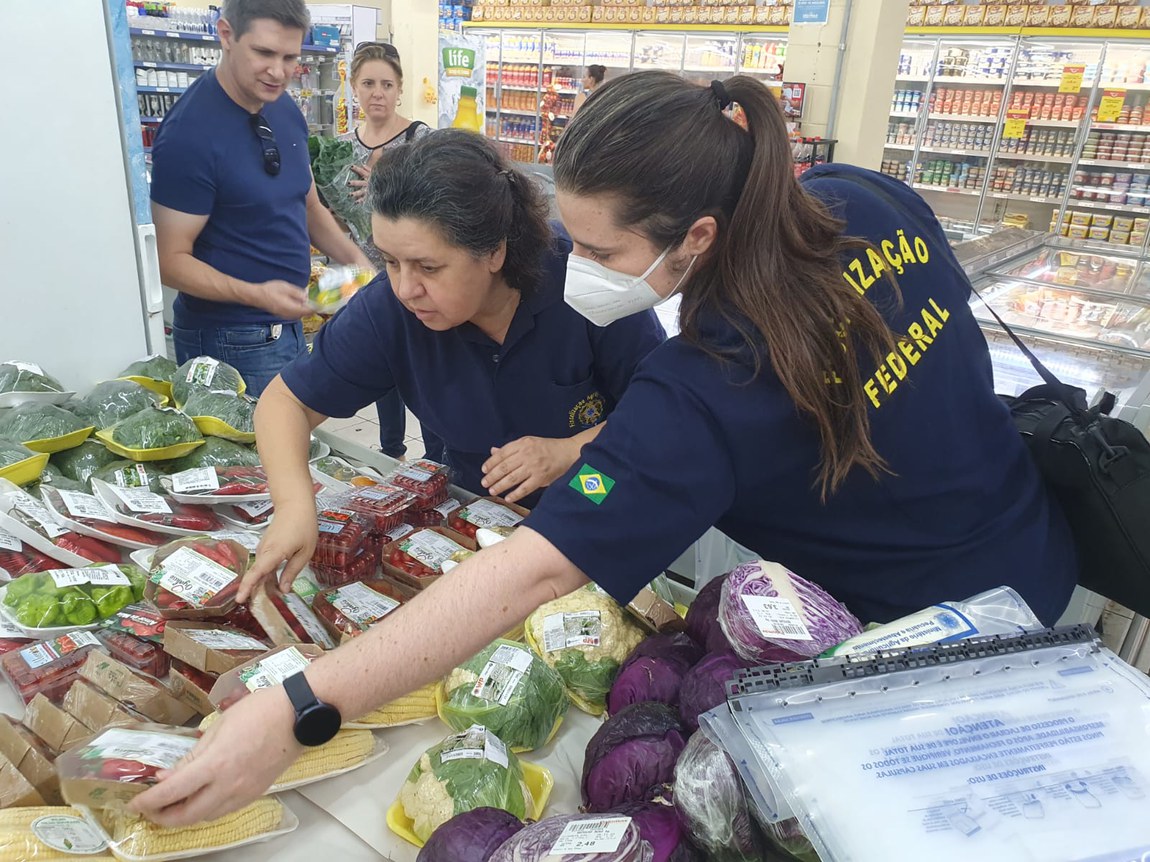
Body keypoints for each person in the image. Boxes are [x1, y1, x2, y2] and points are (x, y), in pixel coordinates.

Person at [132, 72, 1078, 826]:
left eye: (604, 254)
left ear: (697, 236)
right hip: (1040, 553)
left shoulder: (703, 390)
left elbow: (526, 578)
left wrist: (300, 705)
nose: (577, 272)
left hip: (928, 650)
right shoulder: (861, 198)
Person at [151, 0, 372, 397]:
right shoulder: (190, 134)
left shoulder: (284, 107)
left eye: (290, 57)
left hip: (286, 328)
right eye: (264, 53)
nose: (279, 72)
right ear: (226, 36)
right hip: (228, 341)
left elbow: (307, 205)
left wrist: (356, 261)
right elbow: (170, 262)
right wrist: (256, 294)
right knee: (254, 459)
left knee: (291, 449)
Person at [336, 41, 434, 460]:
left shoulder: (419, 138)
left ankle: (438, 455)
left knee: (428, 364)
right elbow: (332, 218)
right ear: (354, 88)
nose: (377, 92)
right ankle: (391, 451)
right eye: (368, 83)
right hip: (358, 275)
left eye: (386, 84)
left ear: (399, 89)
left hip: (415, 275)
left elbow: (437, 210)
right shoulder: (342, 146)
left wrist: (387, 187)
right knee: (382, 364)